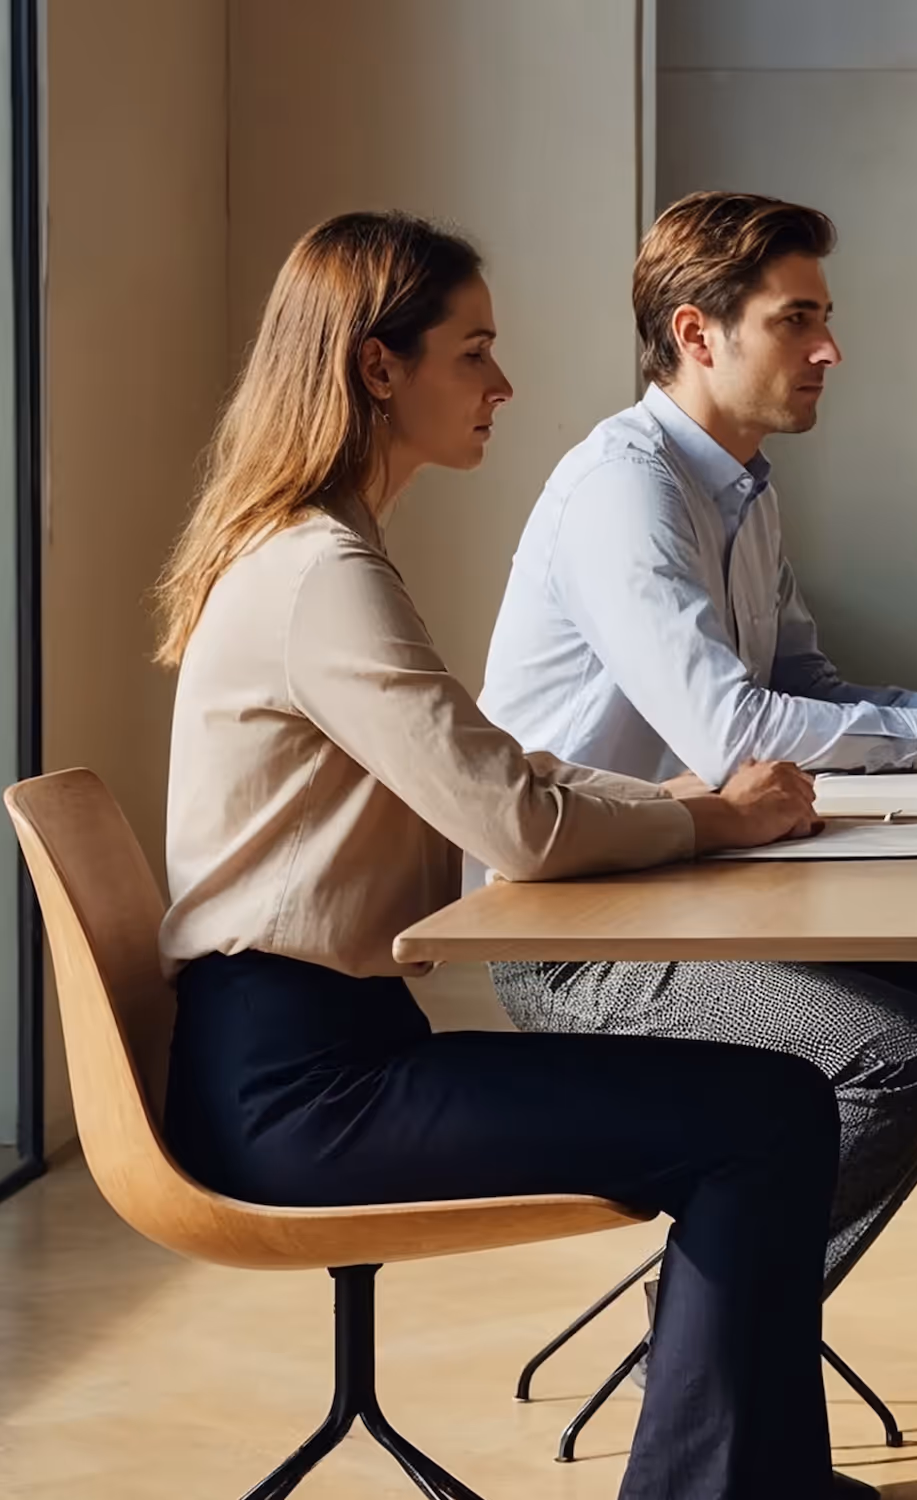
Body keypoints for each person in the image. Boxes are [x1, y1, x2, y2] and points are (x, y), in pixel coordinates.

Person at [155, 212, 870, 1498]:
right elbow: (514, 824)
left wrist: (684, 804)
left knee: (771, 1107)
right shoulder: (321, 571)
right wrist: (705, 814)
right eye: (473, 352)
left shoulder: (321, 553)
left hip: (325, 1054)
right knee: (764, 1117)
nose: (503, 385)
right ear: (381, 367)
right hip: (297, 1091)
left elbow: (499, 768)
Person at [477, 192, 917, 1310]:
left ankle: (726, 1335)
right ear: (698, 333)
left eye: (823, 318)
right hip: (578, 933)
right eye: (796, 320)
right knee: (902, 1056)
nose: (830, 348)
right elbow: (733, 734)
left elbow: (807, 693)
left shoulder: (738, 485)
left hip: (684, 892)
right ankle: (702, 1337)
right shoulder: (624, 491)